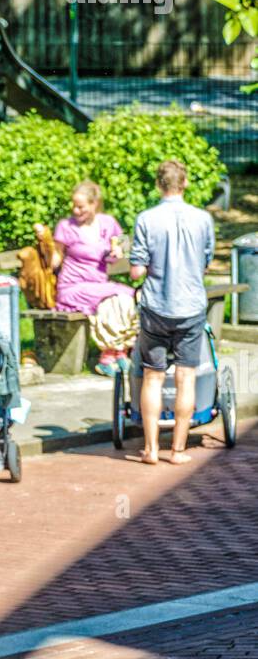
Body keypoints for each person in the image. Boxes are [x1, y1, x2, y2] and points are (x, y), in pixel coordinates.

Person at [129, 159, 215, 465]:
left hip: (156, 307)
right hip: (191, 306)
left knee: (152, 377)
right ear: (185, 183)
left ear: (157, 185)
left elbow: (137, 270)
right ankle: (177, 450)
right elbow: (205, 263)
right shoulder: (203, 219)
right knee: (185, 378)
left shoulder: (146, 219)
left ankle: (150, 449)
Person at [43, 181, 138, 375]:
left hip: (98, 287)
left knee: (120, 300)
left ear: (94, 204)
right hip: (73, 288)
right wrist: (46, 250)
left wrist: (119, 250)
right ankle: (109, 355)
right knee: (123, 292)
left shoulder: (107, 223)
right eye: (74, 206)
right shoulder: (66, 227)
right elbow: (56, 257)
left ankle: (117, 352)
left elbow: (124, 242)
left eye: (81, 206)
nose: (76, 210)